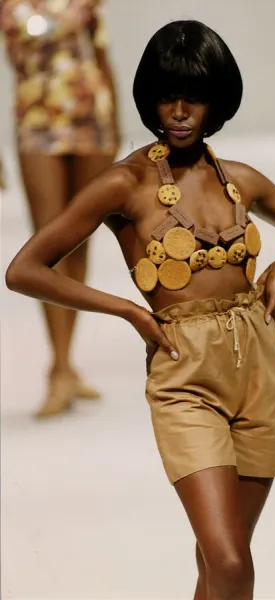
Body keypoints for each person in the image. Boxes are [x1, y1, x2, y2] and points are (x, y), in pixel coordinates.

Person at [6, 20, 275, 600]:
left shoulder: (240, 180)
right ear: (150, 98)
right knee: (232, 564)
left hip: (259, 368)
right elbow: (25, 269)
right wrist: (130, 311)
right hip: (184, 375)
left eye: (195, 97)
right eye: (167, 96)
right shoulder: (126, 184)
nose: (180, 111)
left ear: (218, 101)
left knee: (219, 561)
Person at [1, 0, 119, 418]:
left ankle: (65, 362)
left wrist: (118, 127)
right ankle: (60, 366)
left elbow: (100, 54)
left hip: (91, 117)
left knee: (80, 239)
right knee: (47, 244)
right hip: (36, 119)